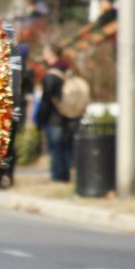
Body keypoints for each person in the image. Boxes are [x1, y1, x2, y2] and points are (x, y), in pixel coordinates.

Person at [36, 43, 80, 182]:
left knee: (55, 148)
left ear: (50, 54)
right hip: (69, 114)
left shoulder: (51, 75)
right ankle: (66, 175)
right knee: (66, 147)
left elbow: (46, 99)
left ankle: (57, 176)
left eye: (45, 52)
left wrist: (40, 118)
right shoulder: (68, 70)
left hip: (55, 117)